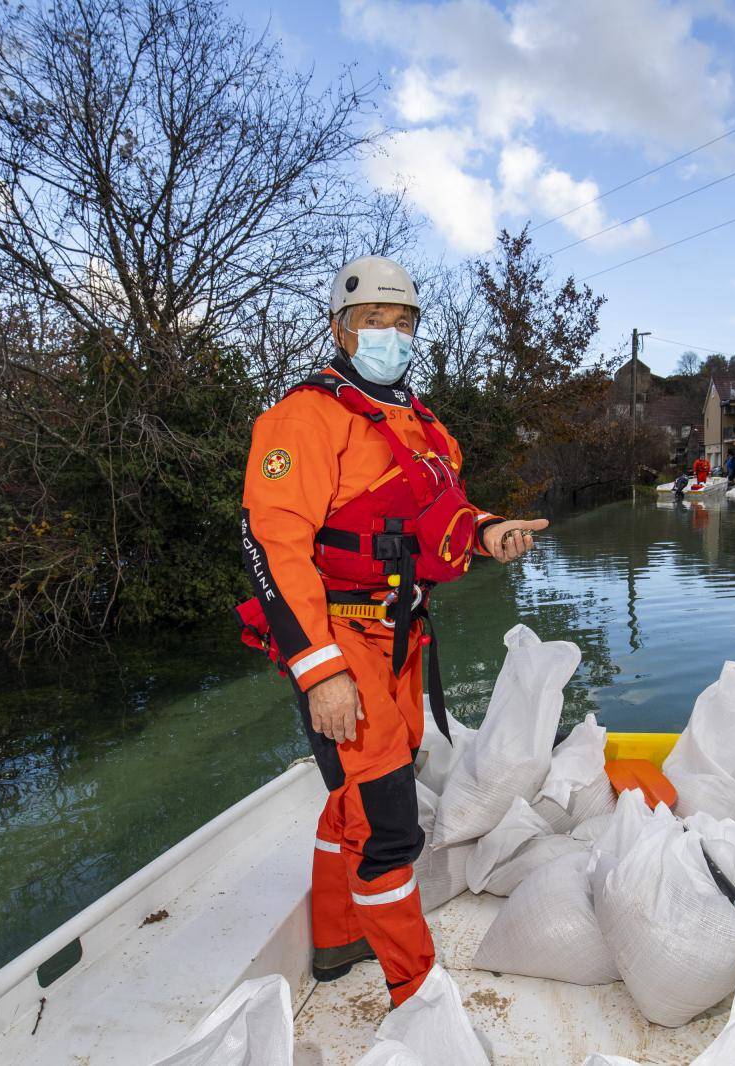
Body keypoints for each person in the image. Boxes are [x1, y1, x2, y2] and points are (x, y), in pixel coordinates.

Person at [235, 256, 547, 1008]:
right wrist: (320, 672)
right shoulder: (300, 420)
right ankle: (420, 996)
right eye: (373, 321)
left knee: (363, 788)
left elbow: (442, 516)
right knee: (388, 826)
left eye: (402, 323)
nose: (390, 335)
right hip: (340, 644)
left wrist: (488, 531)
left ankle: (339, 938)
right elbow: (269, 545)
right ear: (339, 329)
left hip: (403, 638)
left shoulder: (422, 424)